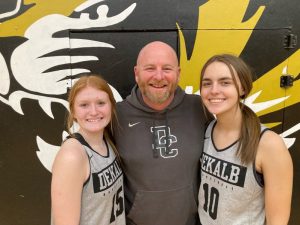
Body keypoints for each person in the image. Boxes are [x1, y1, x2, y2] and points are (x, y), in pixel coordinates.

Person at [114, 41, 212, 225]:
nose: (159, 76)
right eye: (150, 68)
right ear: (136, 73)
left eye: (167, 68)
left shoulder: (199, 108)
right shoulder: (116, 116)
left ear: (178, 73)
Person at [198, 54, 293, 225]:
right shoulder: (205, 130)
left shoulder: (268, 144)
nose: (214, 90)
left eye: (225, 82)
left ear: (242, 88)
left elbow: (277, 220)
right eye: (207, 83)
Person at [51, 75, 125, 225]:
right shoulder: (72, 156)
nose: (93, 111)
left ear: (111, 105)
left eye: (101, 103)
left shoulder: (108, 141)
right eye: (84, 105)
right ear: (73, 111)